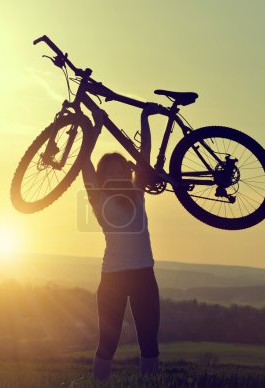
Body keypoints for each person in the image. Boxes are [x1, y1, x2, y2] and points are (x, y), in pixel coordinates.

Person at [81, 108, 160, 380]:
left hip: (143, 275)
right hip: (112, 278)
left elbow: (144, 153)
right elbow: (84, 161)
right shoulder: (97, 198)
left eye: (120, 169)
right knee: (107, 344)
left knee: (149, 341)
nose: (117, 173)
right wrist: (96, 129)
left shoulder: (137, 192)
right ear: (104, 176)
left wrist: (145, 118)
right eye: (110, 170)